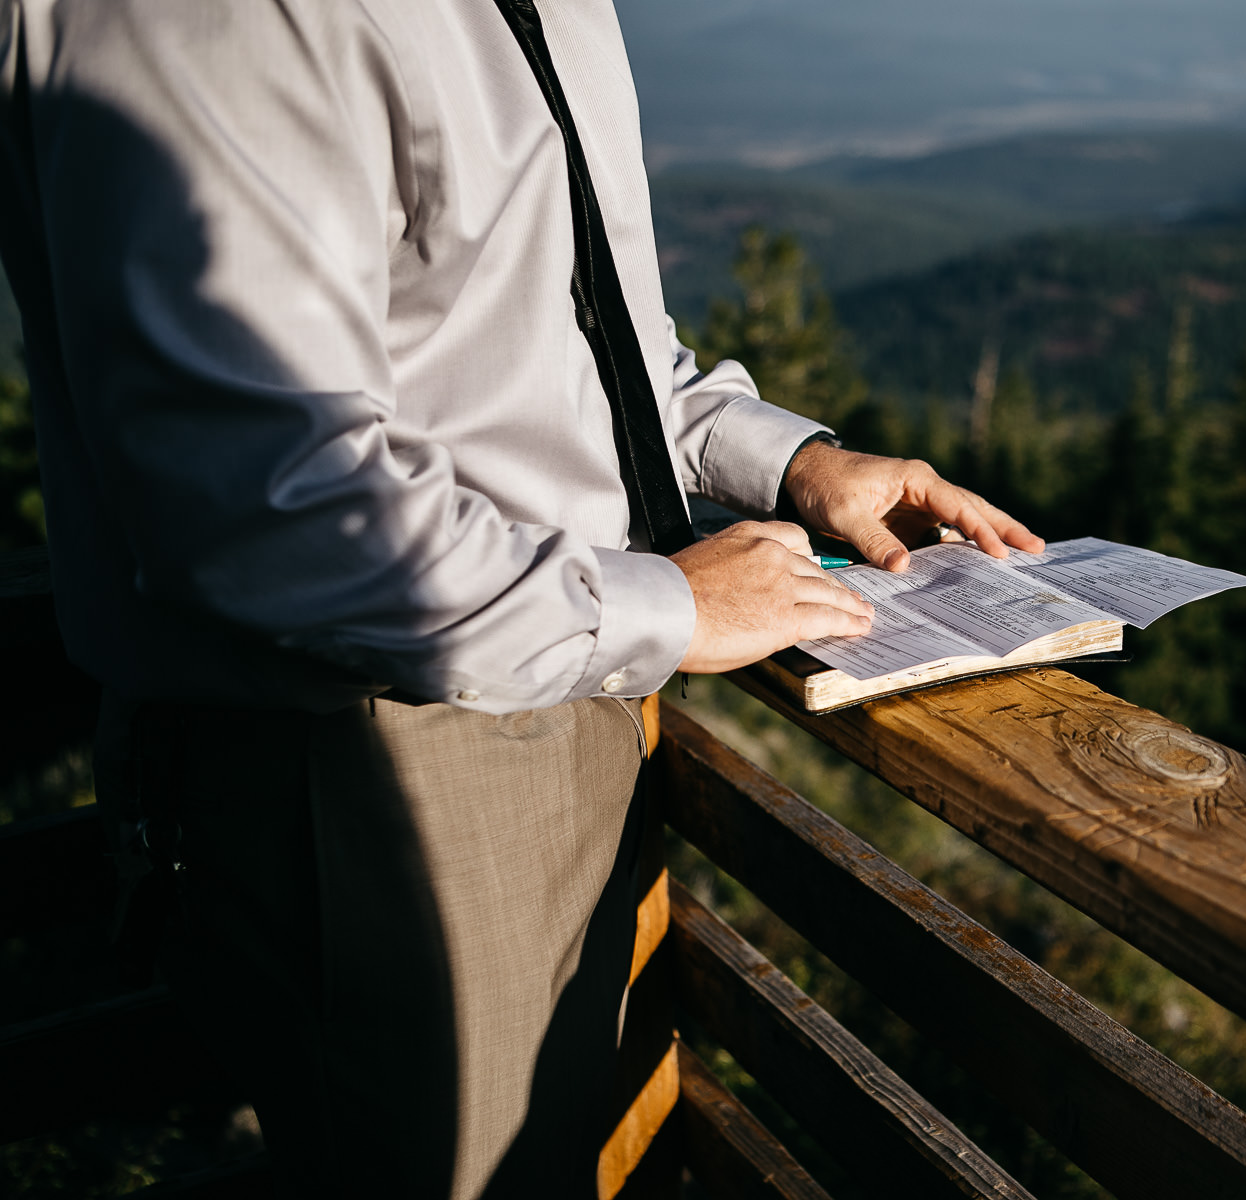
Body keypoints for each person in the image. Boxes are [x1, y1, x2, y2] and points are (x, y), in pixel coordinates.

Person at [0, 0, 1042, 1195]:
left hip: (530, 702)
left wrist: (799, 466)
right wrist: (672, 610)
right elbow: (264, 508)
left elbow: (576, 346)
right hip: (376, 755)